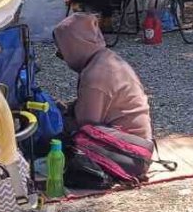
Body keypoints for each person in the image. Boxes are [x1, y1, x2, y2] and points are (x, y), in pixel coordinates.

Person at [53, 12, 152, 140]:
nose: (63, 57)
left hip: (126, 149)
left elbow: (85, 125)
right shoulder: (106, 58)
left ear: (74, 46)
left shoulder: (95, 77)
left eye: (62, 52)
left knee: (56, 130)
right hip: (138, 140)